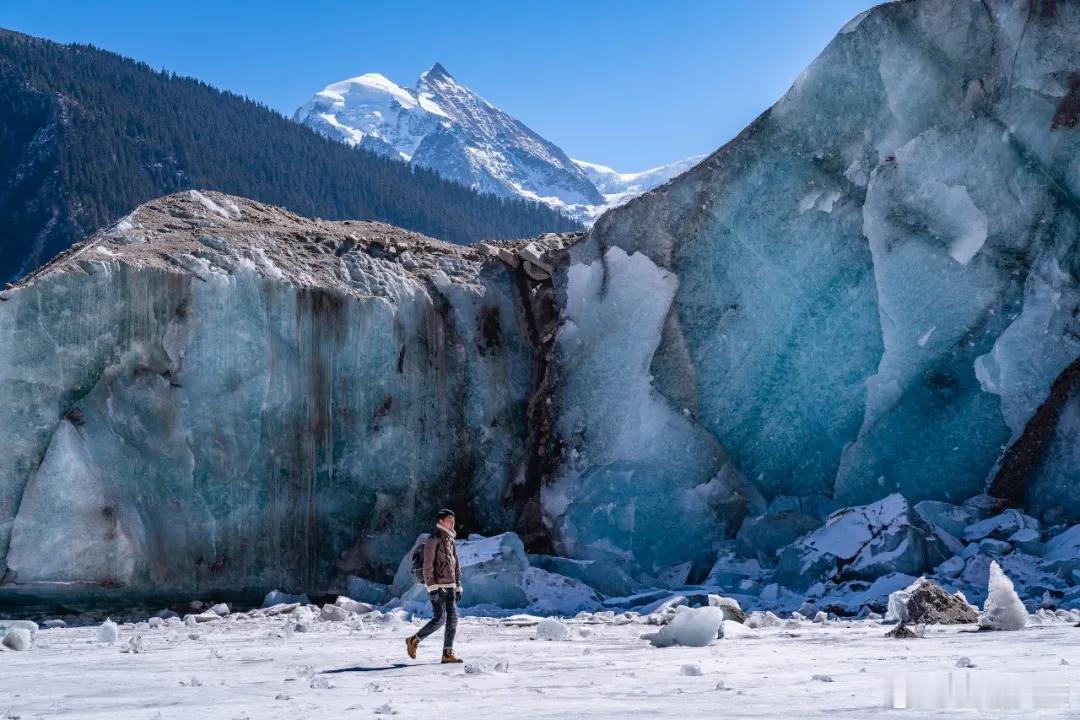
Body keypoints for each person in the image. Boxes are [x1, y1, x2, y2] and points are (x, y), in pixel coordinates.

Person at [406, 508, 463, 663]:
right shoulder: (434, 539)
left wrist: (458, 585)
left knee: (452, 619)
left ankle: (447, 653)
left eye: (453, 520)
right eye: (449, 520)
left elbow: (455, 564)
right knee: (440, 619)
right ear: (440, 522)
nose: (452, 523)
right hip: (438, 586)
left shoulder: (450, 540)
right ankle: (414, 640)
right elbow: (427, 566)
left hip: (450, 586)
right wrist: (432, 587)